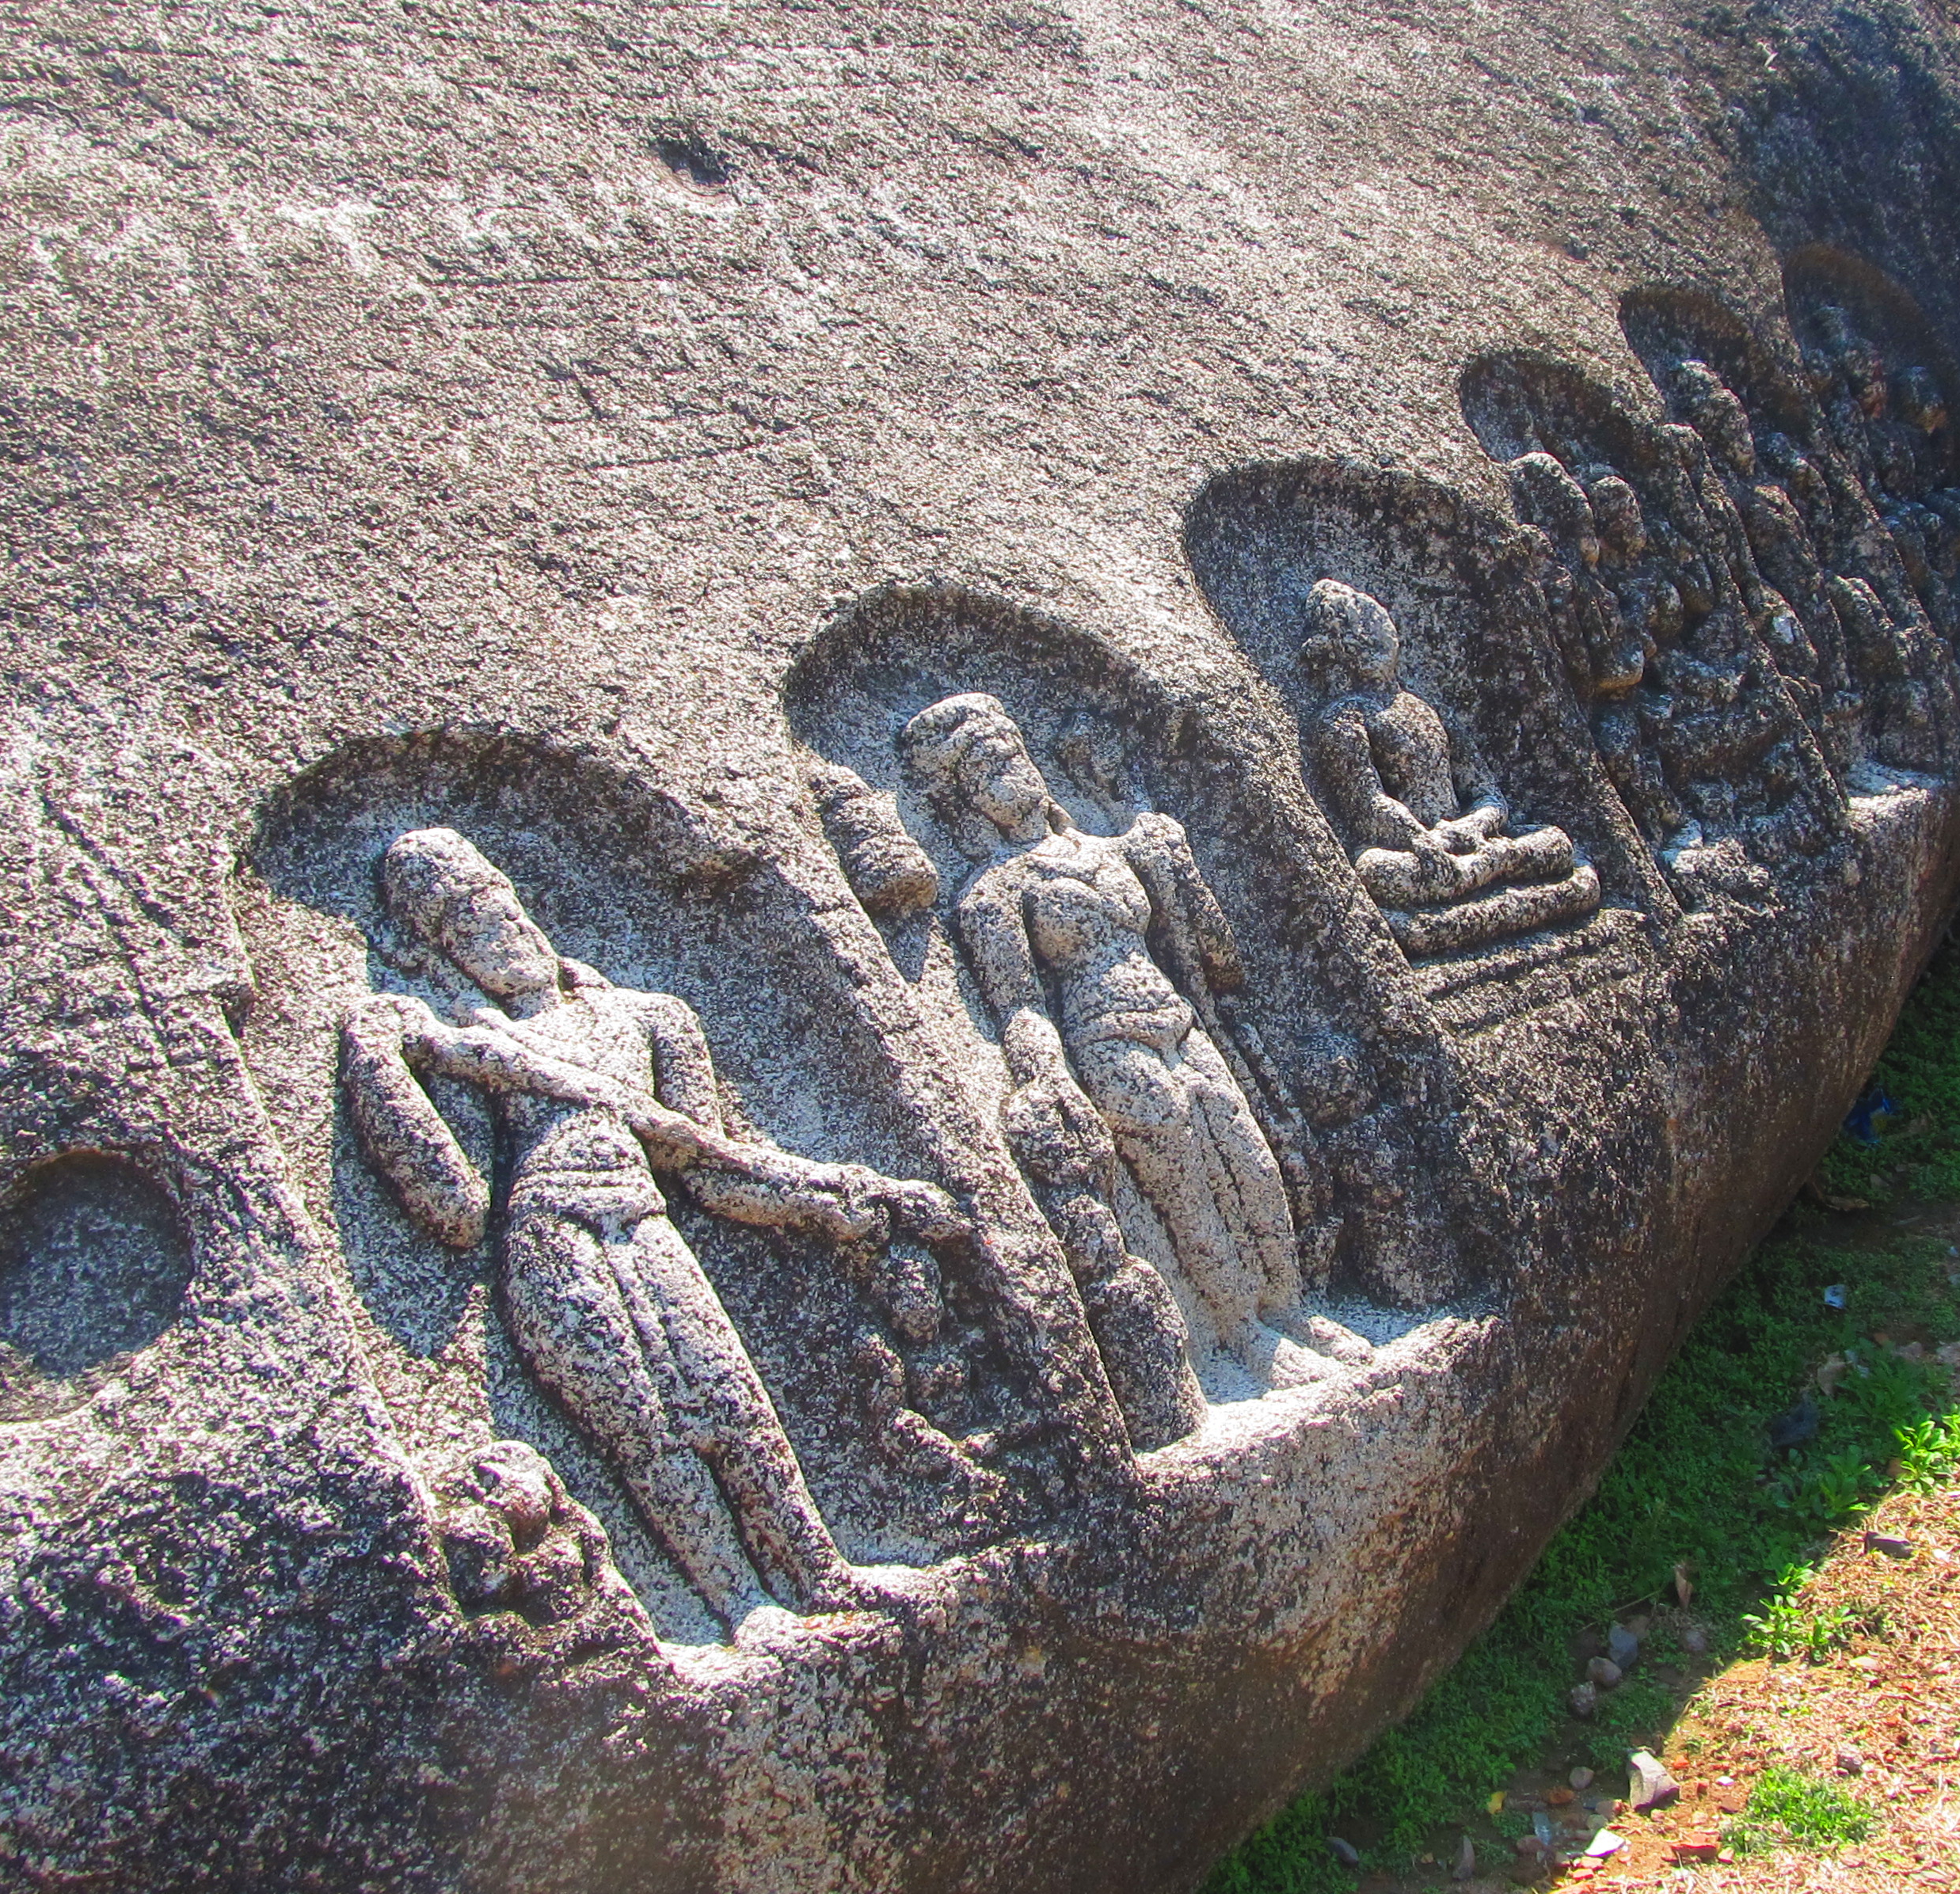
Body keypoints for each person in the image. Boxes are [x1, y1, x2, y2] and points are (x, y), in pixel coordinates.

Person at [339, 827, 965, 1624]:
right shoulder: (469, 1047)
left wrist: (814, 1200)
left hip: (644, 1216)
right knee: (647, 1433)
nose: (495, 934)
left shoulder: (644, 1016)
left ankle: (820, 1573)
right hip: (551, 1235)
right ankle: (737, 1606)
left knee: (734, 1405)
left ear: (516, 896)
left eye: (492, 906)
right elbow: (458, 1209)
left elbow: (708, 1166)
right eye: (460, 929)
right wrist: (381, 1065)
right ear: (441, 953)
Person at [897, 694, 1368, 1390]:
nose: (1012, 772)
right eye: (987, 770)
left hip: (1178, 1018)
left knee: (1250, 1159)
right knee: (1187, 1182)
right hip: (1107, 1035)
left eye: (1013, 754)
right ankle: (1242, 1333)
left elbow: (1188, 928)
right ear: (969, 800)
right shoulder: (992, 893)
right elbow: (1021, 1007)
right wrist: (1047, 1078)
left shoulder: (1104, 846)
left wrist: (1156, 840)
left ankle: (1292, 1307)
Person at [1294, 578, 1599, 955]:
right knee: (1379, 872)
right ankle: (1484, 873)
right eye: (1355, 635)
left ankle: (1486, 867)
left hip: (1474, 841)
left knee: (1553, 841)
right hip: (1417, 849)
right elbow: (1368, 805)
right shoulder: (1345, 717)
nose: (1371, 642)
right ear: (1336, 649)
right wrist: (1423, 839)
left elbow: (1487, 793)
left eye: (1376, 629)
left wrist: (1474, 827)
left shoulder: (1428, 710)